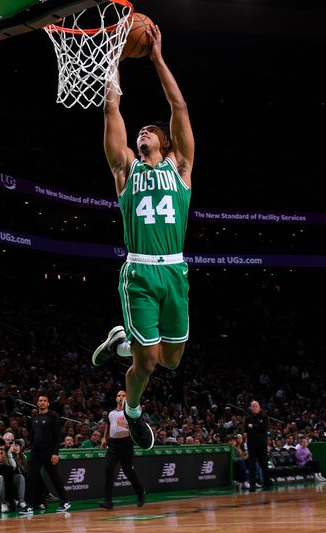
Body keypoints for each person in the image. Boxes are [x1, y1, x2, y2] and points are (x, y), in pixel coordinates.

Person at [90, 22, 195, 451]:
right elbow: (111, 109)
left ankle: (122, 341)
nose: (142, 134)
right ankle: (132, 411)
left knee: (172, 361)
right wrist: (114, 57)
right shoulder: (126, 171)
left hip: (175, 270)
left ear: (166, 145)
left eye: (150, 132)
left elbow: (181, 108)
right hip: (140, 273)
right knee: (148, 363)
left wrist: (155, 57)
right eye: (141, 133)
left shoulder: (181, 169)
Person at [21, 394, 71, 514]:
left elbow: (57, 436)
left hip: (49, 453)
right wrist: (32, 448)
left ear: (48, 403)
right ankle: (29, 505)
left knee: (54, 478)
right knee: (31, 478)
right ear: (37, 403)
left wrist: (55, 453)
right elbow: (32, 437)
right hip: (36, 452)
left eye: (44, 401)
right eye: (40, 401)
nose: (42, 402)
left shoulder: (53, 417)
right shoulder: (33, 419)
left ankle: (65, 501)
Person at [99, 390, 146, 509]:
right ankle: (108, 501)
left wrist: (125, 425)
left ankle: (140, 493)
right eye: (119, 395)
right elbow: (108, 425)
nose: (120, 397)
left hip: (126, 443)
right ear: (116, 398)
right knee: (108, 469)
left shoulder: (131, 413)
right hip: (113, 444)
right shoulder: (111, 413)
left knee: (128, 471)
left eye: (123, 396)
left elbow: (138, 427)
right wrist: (104, 438)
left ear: (127, 398)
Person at [244, 400, 274, 491]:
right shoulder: (247, 418)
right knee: (252, 465)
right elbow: (247, 428)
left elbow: (264, 428)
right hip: (251, 444)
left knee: (264, 464)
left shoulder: (264, 417)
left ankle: (267, 482)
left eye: (256, 406)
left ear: (259, 407)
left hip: (262, 444)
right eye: (253, 406)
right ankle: (252, 485)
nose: (255, 408)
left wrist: (253, 426)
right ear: (250, 408)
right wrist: (256, 426)